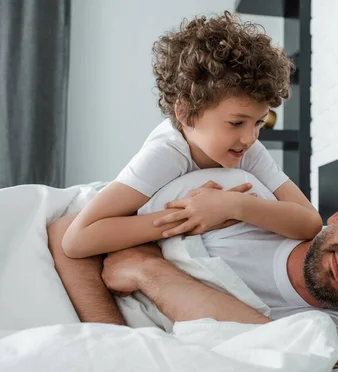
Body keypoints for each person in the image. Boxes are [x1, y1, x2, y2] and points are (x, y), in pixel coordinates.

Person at [60, 11, 322, 263]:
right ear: (186, 113)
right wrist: (187, 217)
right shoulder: (165, 153)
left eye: (259, 123)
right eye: (236, 123)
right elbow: (76, 240)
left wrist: (233, 206)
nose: (251, 137)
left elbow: (310, 222)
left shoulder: (248, 149)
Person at [48, 176, 338, 328]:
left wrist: (145, 269)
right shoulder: (241, 200)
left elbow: (267, 346)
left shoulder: (326, 330)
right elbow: (68, 233)